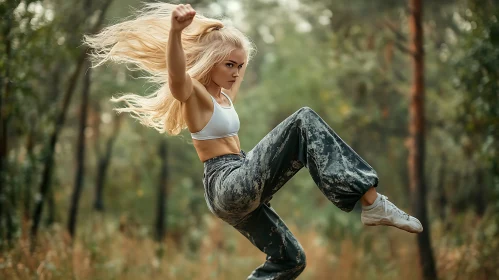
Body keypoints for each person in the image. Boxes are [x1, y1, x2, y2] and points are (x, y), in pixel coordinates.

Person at [85, 3, 423, 279]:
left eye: (240, 65)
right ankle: (372, 203)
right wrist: (175, 32)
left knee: (291, 259)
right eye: (229, 64)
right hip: (227, 183)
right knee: (303, 120)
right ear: (210, 63)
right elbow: (176, 79)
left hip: (240, 184)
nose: (235, 72)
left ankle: (369, 204)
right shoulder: (198, 96)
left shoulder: (225, 99)